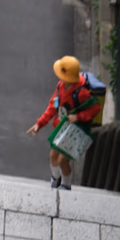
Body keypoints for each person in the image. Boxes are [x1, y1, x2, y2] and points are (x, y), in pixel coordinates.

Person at [26, 57, 100, 188]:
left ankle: (66, 185)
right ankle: (56, 178)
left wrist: (78, 117)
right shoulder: (61, 86)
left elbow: (95, 108)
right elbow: (52, 106)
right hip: (61, 128)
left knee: (62, 161)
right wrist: (40, 124)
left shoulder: (81, 92)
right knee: (53, 156)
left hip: (74, 130)